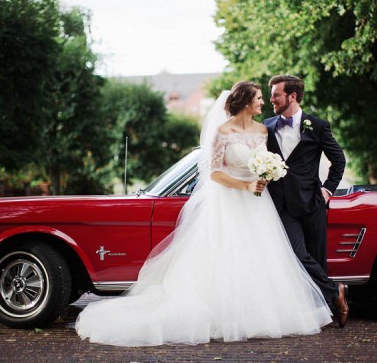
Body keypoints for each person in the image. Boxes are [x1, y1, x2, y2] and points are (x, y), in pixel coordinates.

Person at [75, 81, 333, 347]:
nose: (263, 102)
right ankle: (226, 313)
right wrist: (245, 183)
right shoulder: (222, 131)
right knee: (226, 256)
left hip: (258, 203)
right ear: (245, 101)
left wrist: (268, 174)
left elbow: (271, 162)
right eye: (258, 97)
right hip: (230, 200)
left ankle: (258, 313)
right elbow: (214, 172)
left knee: (260, 256)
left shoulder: (262, 129)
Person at [263, 75, 349, 328]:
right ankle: (336, 291)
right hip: (283, 206)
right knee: (299, 255)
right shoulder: (266, 126)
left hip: (312, 203)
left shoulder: (318, 125)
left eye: (276, 94)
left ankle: (323, 313)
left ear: (292, 96)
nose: (271, 99)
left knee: (317, 258)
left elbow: (339, 160)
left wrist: (327, 190)